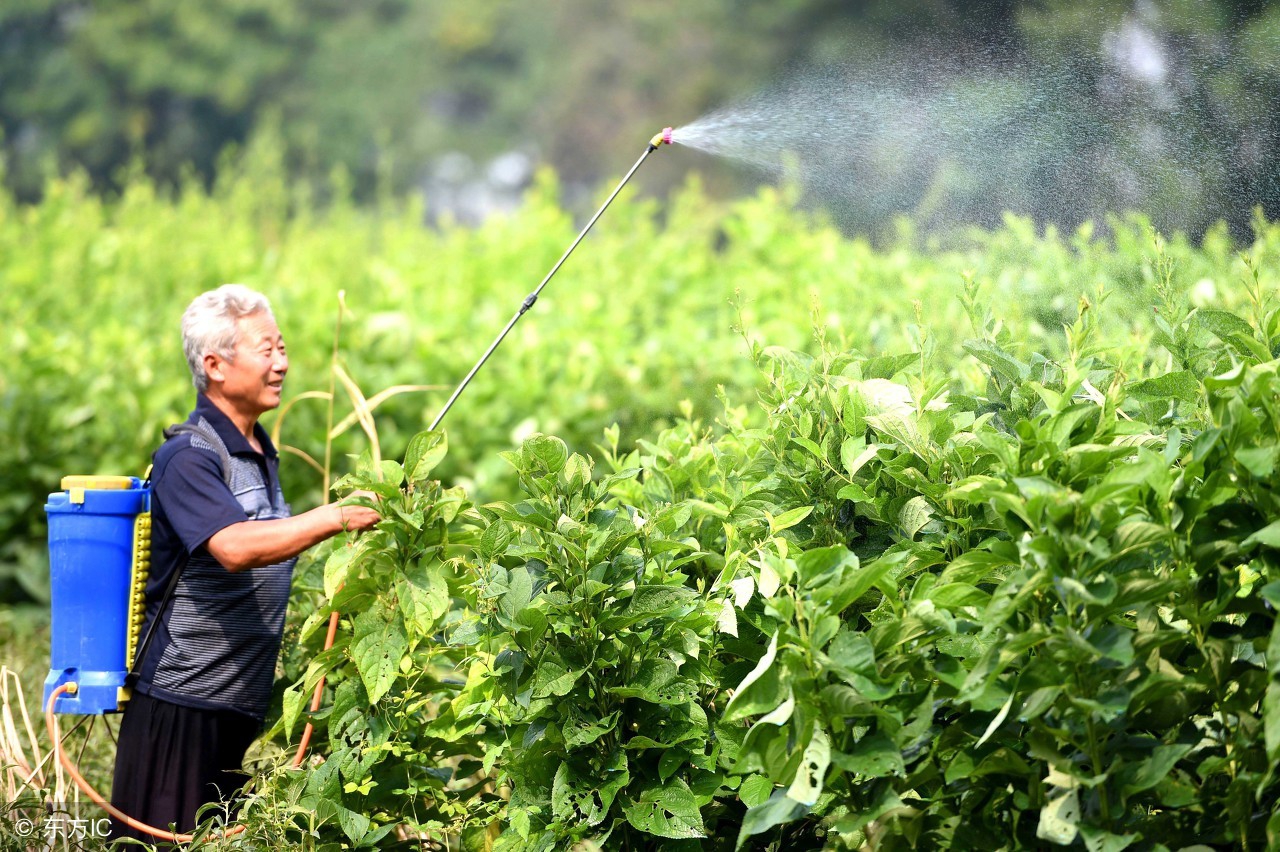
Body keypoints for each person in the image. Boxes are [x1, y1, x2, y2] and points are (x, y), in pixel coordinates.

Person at [110, 284, 380, 840]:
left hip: (234, 707)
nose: (282, 363)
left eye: (282, 347)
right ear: (215, 365)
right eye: (267, 350)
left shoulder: (256, 451)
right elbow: (233, 547)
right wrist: (333, 517)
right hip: (179, 708)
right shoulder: (188, 455)